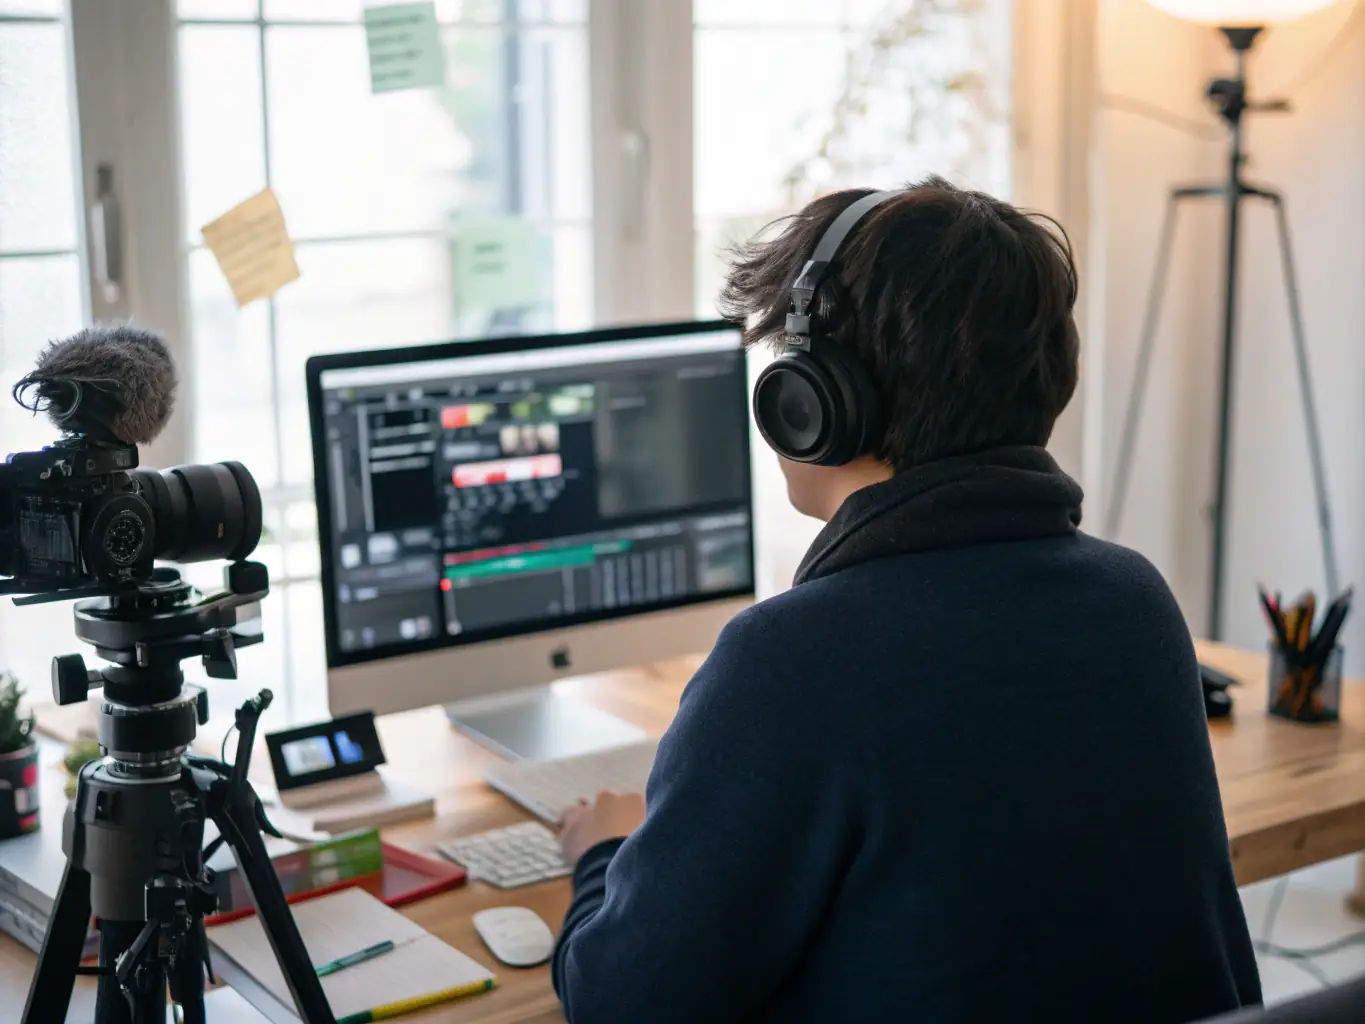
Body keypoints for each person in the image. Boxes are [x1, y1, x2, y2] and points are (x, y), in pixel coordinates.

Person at [551, 177, 1261, 1023]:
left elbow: (624, 1001)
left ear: (812, 404)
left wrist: (605, 854)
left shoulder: (793, 659)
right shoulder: (1131, 600)